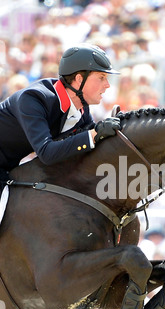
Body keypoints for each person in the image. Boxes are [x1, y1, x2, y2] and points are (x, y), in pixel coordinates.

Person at [0, 43, 121, 196]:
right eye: (101, 77)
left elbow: (90, 143)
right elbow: (47, 153)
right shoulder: (33, 99)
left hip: (9, 167)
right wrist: (95, 134)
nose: (107, 85)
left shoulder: (81, 109)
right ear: (79, 79)